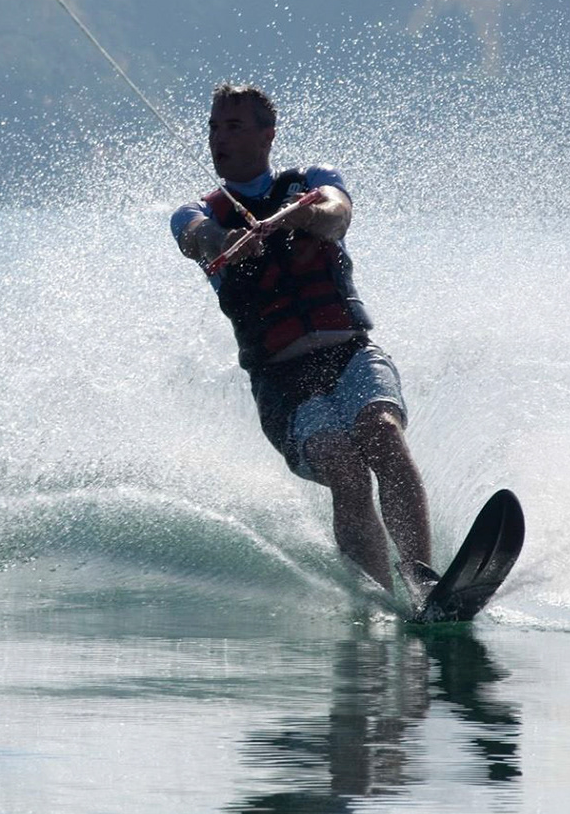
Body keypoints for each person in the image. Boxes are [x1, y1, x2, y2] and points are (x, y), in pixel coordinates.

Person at [171, 83, 436, 599]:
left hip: (351, 354)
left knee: (382, 434)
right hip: (282, 380)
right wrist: (223, 243)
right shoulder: (196, 213)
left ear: (267, 136)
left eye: (233, 126)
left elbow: (337, 212)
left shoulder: (313, 182)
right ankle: (381, 599)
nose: (217, 138)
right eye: (213, 127)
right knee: (344, 467)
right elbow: (194, 238)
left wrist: (301, 214)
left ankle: (425, 581)